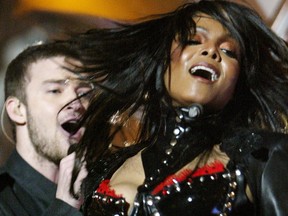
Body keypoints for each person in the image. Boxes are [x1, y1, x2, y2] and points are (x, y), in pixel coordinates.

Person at [68, 0, 288, 215]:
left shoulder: (262, 158)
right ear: (163, 60)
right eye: (193, 40)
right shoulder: (106, 168)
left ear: (237, 84)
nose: (211, 51)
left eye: (229, 51)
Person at [0, 42, 93, 215]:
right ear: (18, 110)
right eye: (55, 90)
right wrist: (65, 207)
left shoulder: (104, 191)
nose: (76, 101)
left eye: (84, 93)